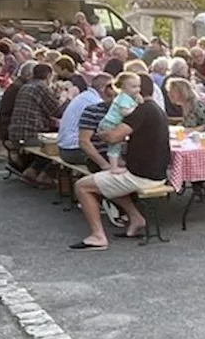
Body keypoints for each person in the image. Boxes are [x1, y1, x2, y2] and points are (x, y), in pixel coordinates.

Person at [70, 74, 171, 251]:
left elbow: (113, 137)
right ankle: (136, 218)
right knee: (108, 181)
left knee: (82, 186)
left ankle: (98, 236)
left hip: (142, 175)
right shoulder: (155, 109)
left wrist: (101, 134)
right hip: (156, 172)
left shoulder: (142, 110)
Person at [57, 72, 113, 169]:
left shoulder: (84, 96)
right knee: (113, 156)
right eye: (113, 87)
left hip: (64, 147)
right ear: (103, 88)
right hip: (74, 149)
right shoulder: (95, 102)